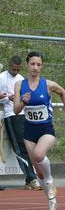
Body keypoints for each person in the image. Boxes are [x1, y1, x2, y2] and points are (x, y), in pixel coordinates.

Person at [13, 51, 65, 210]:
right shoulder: (20, 85)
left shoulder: (48, 84)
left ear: (41, 66)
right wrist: (23, 101)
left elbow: (63, 93)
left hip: (46, 129)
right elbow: (16, 109)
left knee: (39, 155)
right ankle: (51, 200)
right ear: (27, 65)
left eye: (38, 65)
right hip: (29, 130)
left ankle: (50, 182)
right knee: (38, 171)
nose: (35, 67)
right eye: (32, 64)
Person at [0, 55, 41, 190]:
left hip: (24, 115)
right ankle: (31, 178)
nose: (16, 72)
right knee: (19, 147)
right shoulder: (1, 77)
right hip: (10, 115)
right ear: (9, 65)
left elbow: (25, 98)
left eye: (18, 70)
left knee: (29, 146)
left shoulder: (21, 79)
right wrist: (6, 98)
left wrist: (20, 99)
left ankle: (32, 177)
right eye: (13, 69)